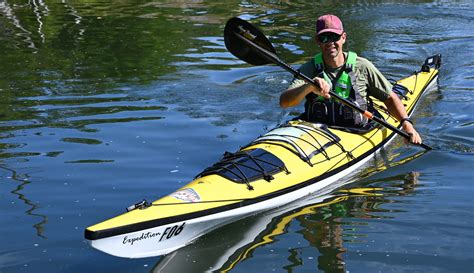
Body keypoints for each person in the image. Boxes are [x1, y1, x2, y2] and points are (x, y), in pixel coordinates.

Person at [279, 14, 422, 144]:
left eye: (334, 37)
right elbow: (284, 102)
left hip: (357, 131)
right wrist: (309, 87)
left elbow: (389, 98)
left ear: (343, 38)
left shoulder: (362, 66)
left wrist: (407, 125)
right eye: (324, 38)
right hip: (317, 132)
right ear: (318, 41)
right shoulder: (309, 69)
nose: (330, 42)